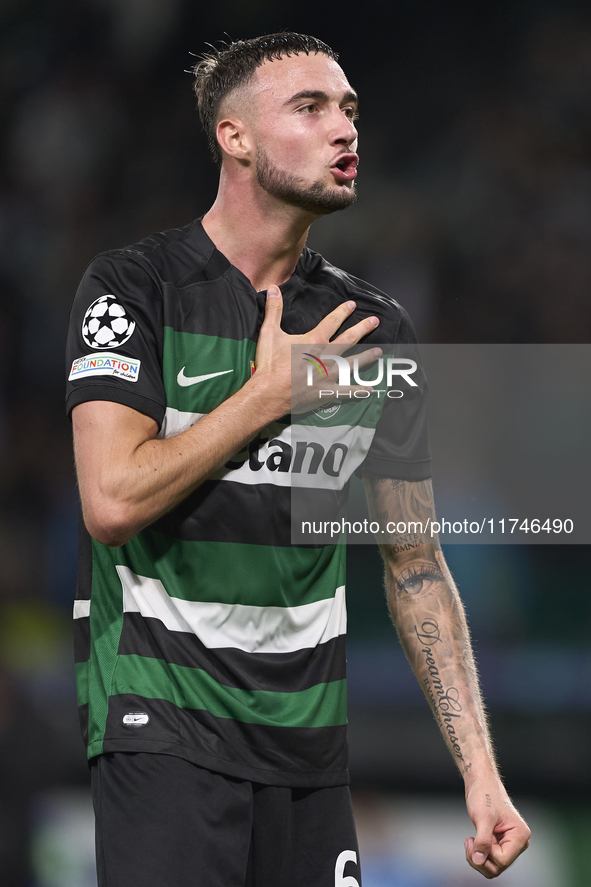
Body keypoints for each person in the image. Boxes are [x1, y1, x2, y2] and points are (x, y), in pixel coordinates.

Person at [65, 32, 530, 886]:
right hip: (162, 731)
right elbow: (110, 499)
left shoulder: (372, 330)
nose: (343, 129)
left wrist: (480, 772)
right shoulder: (134, 289)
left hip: (310, 753)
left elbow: (415, 561)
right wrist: (261, 399)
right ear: (233, 137)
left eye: (349, 109)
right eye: (310, 108)